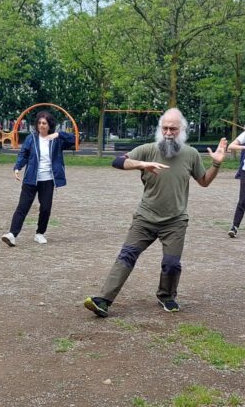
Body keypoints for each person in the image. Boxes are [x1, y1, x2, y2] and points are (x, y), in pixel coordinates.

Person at [83, 108, 227, 317]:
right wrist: (141, 164)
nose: (169, 132)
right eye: (165, 128)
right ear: (160, 129)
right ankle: (103, 300)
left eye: (173, 129)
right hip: (145, 218)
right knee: (126, 256)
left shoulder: (191, 154)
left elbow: (204, 181)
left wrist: (216, 163)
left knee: (171, 264)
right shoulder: (148, 150)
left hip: (175, 221)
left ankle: (166, 296)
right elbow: (117, 161)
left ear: (182, 130)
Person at [1, 110, 75, 246]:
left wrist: (58, 134)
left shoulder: (57, 140)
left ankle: (40, 233)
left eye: (44, 123)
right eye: (40, 123)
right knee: (22, 207)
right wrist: (17, 167)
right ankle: (12, 234)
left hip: (48, 179)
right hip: (31, 178)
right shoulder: (31, 138)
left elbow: (75, 139)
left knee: (46, 208)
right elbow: (23, 154)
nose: (42, 125)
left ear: (49, 125)